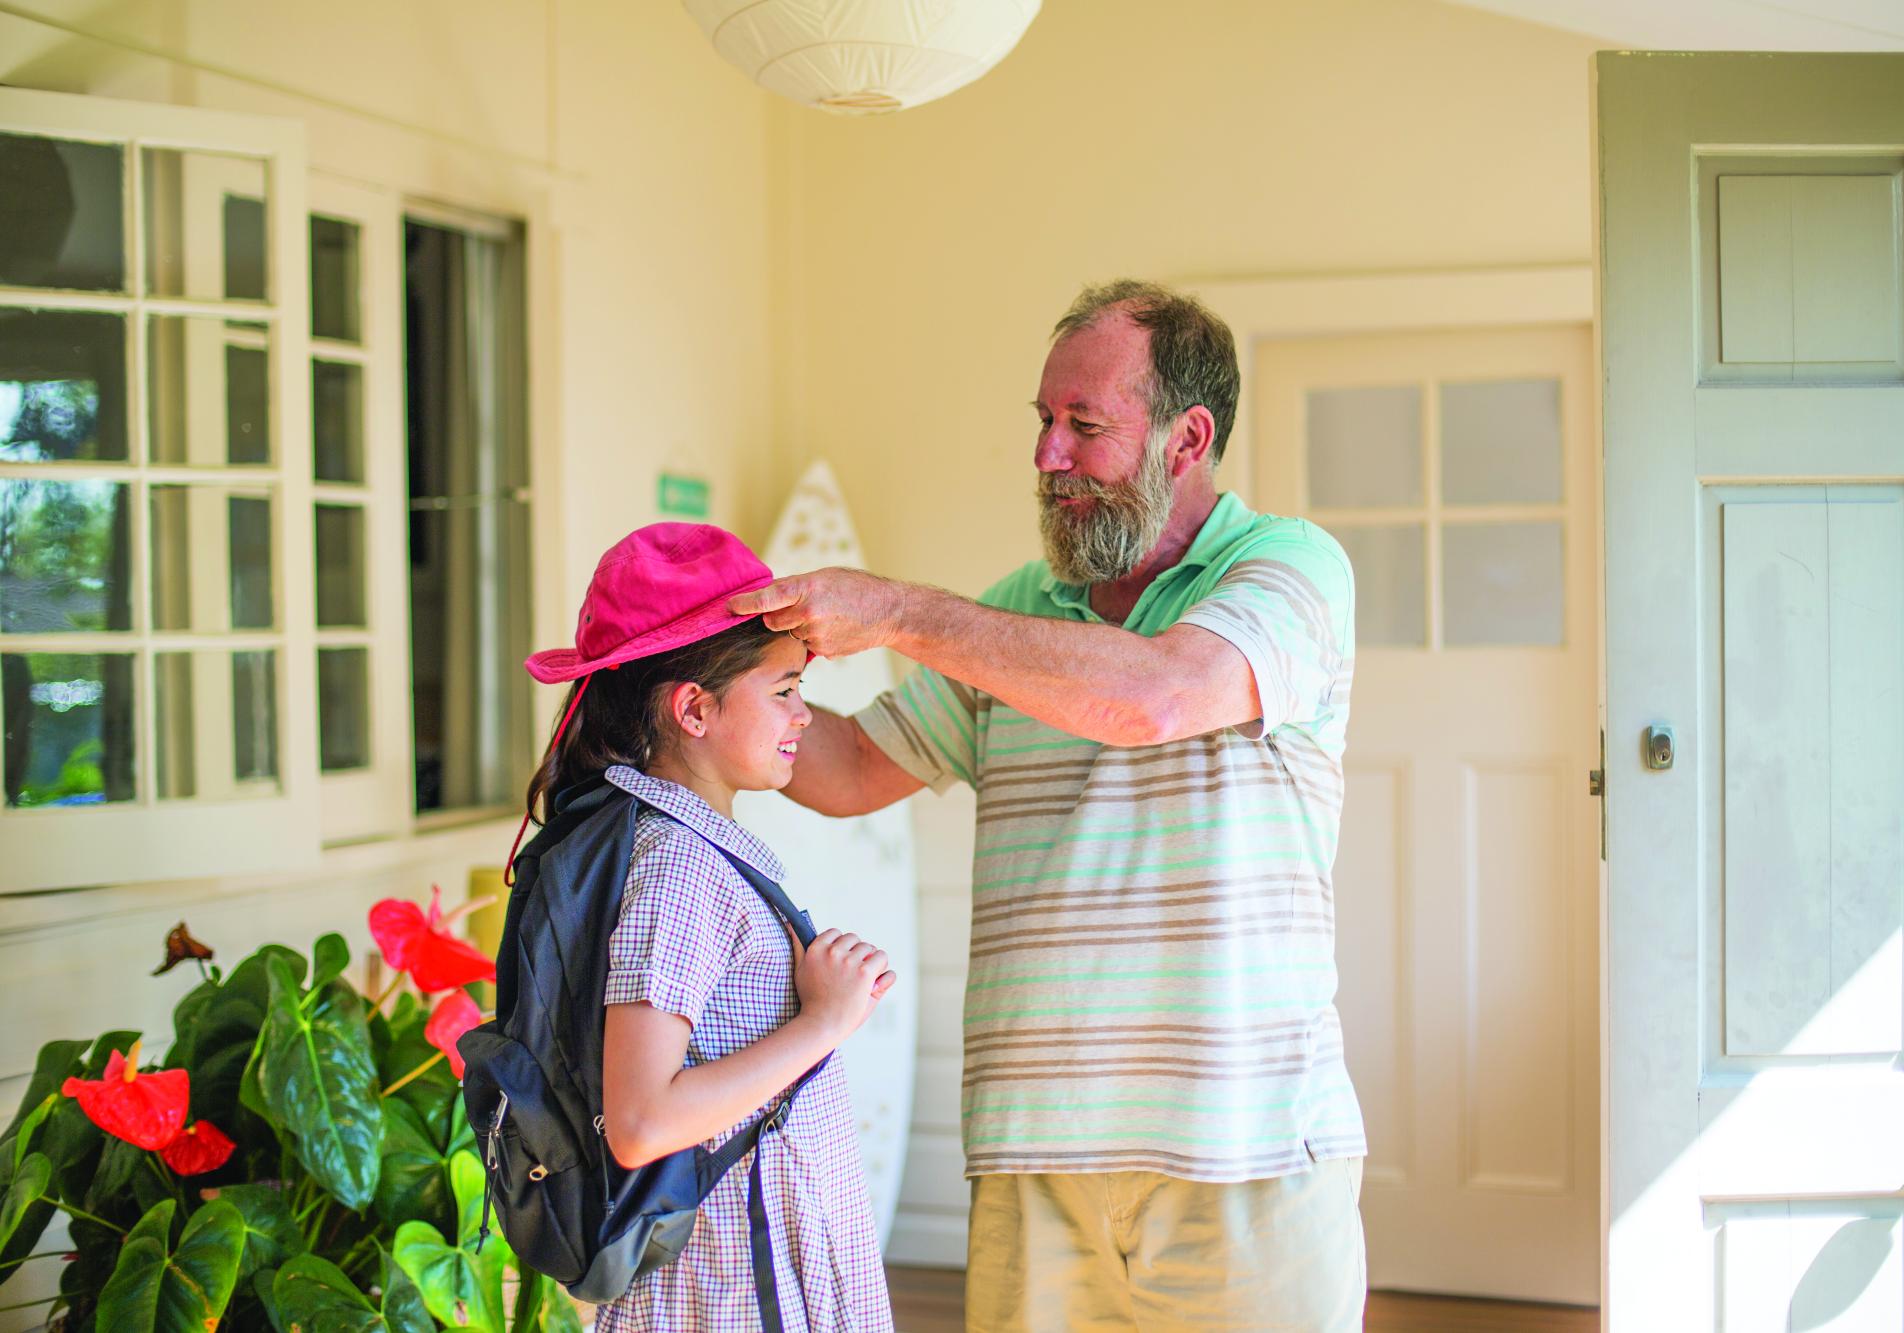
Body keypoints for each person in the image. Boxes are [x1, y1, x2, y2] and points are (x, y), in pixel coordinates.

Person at [731, 280, 1367, 1331]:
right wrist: (690, 694)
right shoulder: (1017, 613)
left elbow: (1152, 697)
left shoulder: (1288, 571)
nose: (1046, 456)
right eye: (1042, 422)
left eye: (1084, 426)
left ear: (1185, 437)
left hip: (1245, 1157)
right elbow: (844, 769)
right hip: (1034, 1163)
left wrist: (895, 610)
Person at [522, 523, 897, 1332]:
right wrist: (826, 1021)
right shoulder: (680, 869)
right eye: (785, 689)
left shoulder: (681, 845)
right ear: (693, 707)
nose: (804, 714)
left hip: (743, 1269)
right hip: (731, 1286)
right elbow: (641, 1120)